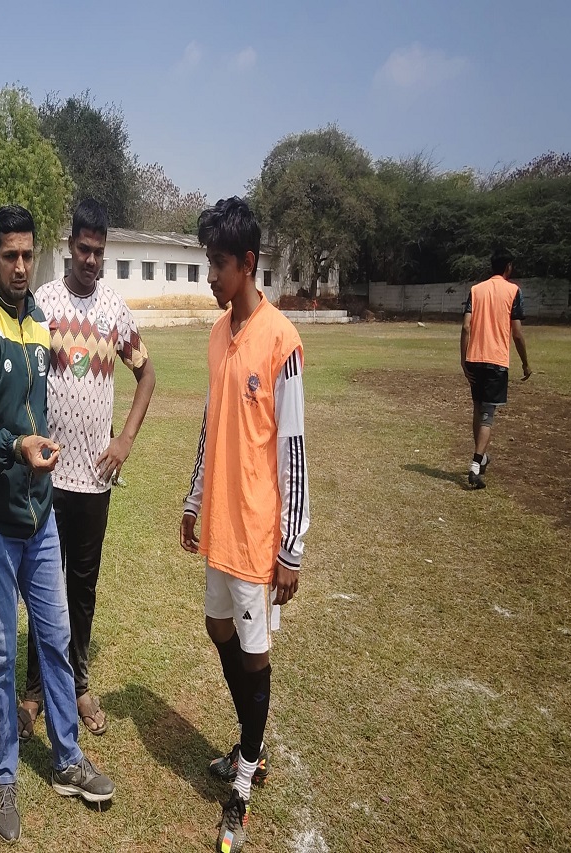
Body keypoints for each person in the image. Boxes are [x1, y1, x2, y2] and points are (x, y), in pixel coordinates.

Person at [0, 205, 115, 842]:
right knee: (0, 653)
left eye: (27, 255)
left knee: (55, 637)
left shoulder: (41, 325)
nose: (20, 267)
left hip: (40, 517)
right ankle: (6, 772)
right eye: (9, 256)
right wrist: (17, 447)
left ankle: (67, 758)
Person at [180, 197, 309, 853]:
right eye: (209, 262)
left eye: (219, 264)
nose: (211, 275)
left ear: (248, 263)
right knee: (217, 627)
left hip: (258, 533)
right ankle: (249, 745)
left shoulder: (281, 340)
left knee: (255, 653)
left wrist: (291, 546)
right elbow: (211, 424)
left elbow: (293, 448)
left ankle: (244, 783)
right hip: (220, 524)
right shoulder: (215, 334)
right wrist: (194, 498)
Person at [23, 198, 155, 738]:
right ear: (70, 245)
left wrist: (125, 439)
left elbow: (147, 376)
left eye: (99, 251)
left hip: (95, 481)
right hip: (47, 477)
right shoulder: (43, 304)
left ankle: (77, 684)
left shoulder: (114, 311)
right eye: (83, 249)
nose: (91, 260)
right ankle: (34, 690)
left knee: (82, 588)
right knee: (41, 586)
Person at [461, 252, 531, 489]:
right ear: (508, 267)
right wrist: (525, 362)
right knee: (488, 414)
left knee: (478, 408)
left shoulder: (476, 290)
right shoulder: (513, 291)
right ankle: (475, 465)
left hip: (474, 358)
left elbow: (466, 327)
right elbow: (517, 333)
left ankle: (481, 458)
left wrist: (463, 360)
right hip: (496, 361)